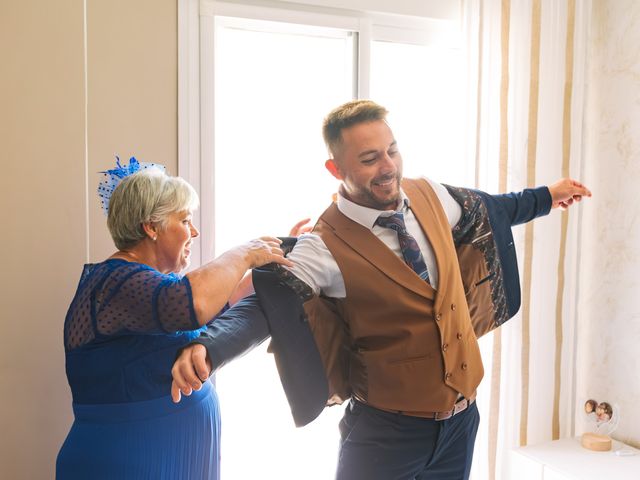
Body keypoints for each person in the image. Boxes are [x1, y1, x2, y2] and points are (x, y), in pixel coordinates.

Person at [172, 100, 592, 480]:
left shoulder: (432, 197)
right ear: (335, 169)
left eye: (392, 150)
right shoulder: (323, 245)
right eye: (370, 159)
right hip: (385, 433)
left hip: (462, 423)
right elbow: (267, 307)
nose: (388, 166)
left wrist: (548, 196)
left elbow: (496, 207)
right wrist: (211, 346)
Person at [56, 158, 295, 480]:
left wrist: (280, 257)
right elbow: (190, 302)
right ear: (151, 227)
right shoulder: (116, 281)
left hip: (173, 456)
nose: (194, 231)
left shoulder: (148, 288)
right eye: (184, 220)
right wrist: (244, 253)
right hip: (126, 460)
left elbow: (218, 306)